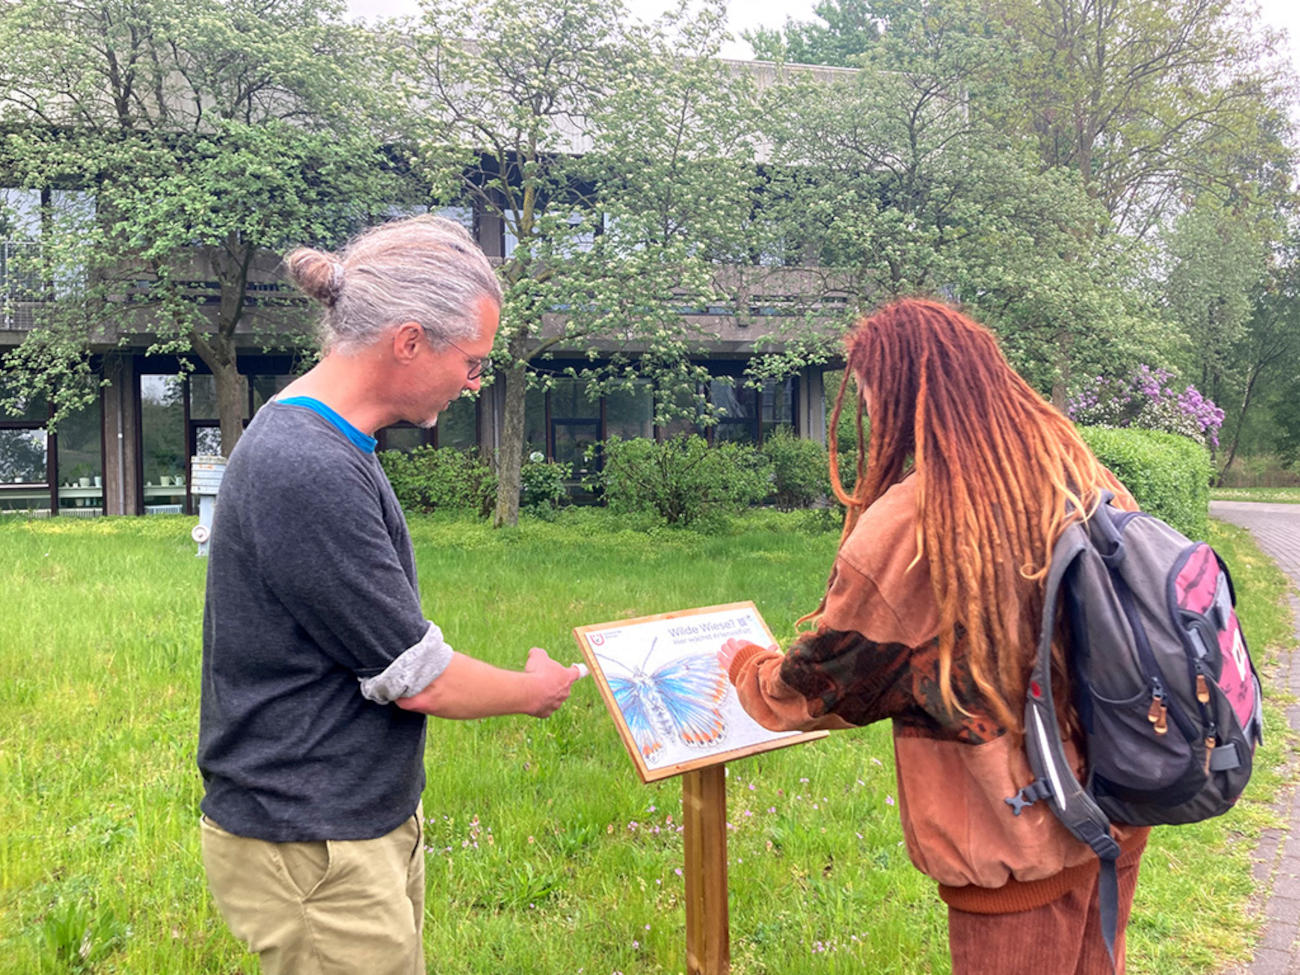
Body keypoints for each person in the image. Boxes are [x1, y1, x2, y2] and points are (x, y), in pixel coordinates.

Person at [197, 215, 581, 975]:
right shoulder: (306, 465)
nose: (476, 383)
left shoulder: (332, 444)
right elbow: (416, 677)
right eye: (473, 362)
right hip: (311, 839)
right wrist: (533, 689)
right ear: (409, 341)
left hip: (347, 824)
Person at [719, 297, 1150, 974]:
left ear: (896, 395)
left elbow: (824, 687)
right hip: (1115, 819)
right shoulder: (1077, 471)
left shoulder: (916, 524)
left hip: (1017, 853)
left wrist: (746, 664)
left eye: (866, 395)